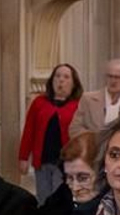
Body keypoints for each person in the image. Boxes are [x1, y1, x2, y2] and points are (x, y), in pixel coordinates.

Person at [18, 64, 82, 203]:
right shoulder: (39, 102)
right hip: (43, 161)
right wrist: (23, 157)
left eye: (66, 77)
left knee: (59, 199)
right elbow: (29, 130)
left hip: (65, 162)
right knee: (44, 199)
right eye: (57, 76)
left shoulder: (78, 105)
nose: (61, 80)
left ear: (73, 83)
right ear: (52, 80)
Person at [75, 59, 120, 135]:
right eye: (110, 76)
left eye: (117, 77)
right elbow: (75, 128)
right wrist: (94, 138)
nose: (113, 81)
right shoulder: (88, 99)